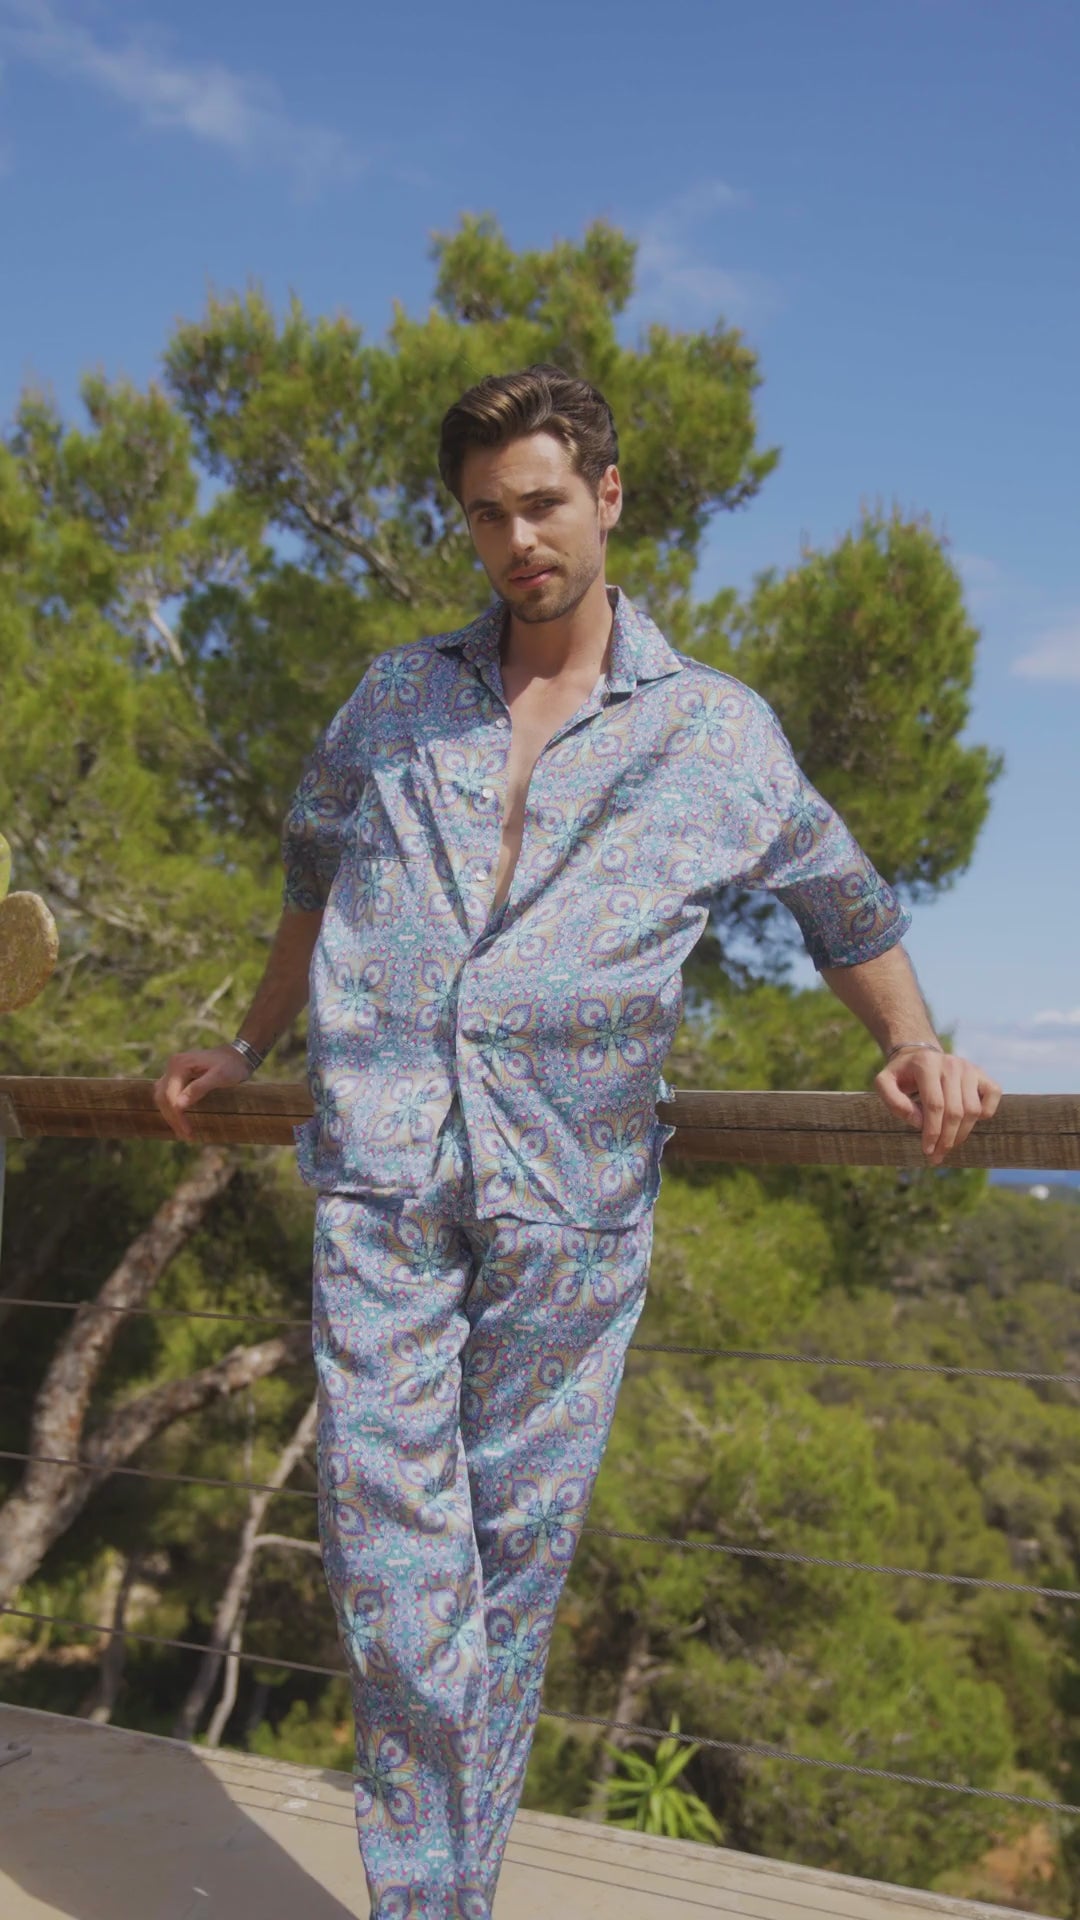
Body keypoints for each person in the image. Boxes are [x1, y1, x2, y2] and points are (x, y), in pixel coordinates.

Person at [154, 364, 1002, 1919]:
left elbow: (844, 900)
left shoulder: (714, 732)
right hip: (386, 1180)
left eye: (541, 503)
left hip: (575, 1209)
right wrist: (253, 1044)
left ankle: (437, 1904)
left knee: (510, 1585)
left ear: (606, 497)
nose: (517, 541)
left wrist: (909, 1045)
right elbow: (312, 879)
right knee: (399, 1582)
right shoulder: (394, 701)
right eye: (487, 515)